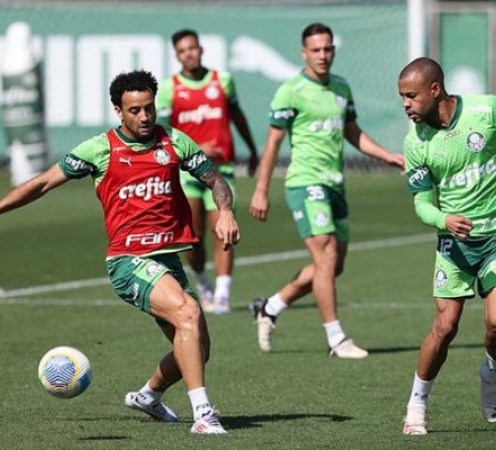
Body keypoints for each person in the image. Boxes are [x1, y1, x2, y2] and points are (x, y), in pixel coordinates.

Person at [0, 70, 239, 434]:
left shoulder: (174, 141)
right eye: (134, 110)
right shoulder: (99, 149)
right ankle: (204, 416)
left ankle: (149, 395)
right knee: (189, 312)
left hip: (166, 259)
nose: (144, 117)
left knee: (198, 348)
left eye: (149, 108)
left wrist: (225, 210)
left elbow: (214, 179)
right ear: (118, 111)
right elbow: (43, 183)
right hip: (128, 262)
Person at [398, 57, 496, 435]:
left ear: (435, 90)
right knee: (445, 326)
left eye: (411, 96)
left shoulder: (487, 109)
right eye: (402, 97)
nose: (406, 105)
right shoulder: (415, 143)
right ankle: (417, 403)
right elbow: (420, 202)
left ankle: (490, 375)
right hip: (455, 244)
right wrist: (442, 220)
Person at [248, 23, 404, 359]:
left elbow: (353, 132)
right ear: (303, 53)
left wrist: (387, 155)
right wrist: (261, 190)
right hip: (305, 183)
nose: (323, 55)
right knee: (326, 256)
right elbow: (273, 143)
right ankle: (336, 339)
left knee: (332, 266)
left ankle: (270, 307)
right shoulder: (290, 91)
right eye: (316, 49)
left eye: (328, 48)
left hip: (335, 185)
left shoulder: (341, 88)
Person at [156, 29, 258, 315]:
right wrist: (196, 147)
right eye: (182, 50)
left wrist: (251, 148)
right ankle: (204, 283)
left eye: (193, 48)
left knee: (223, 228)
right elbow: (163, 132)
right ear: (177, 55)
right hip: (186, 172)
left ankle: (223, 293)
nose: (189, 53)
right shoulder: (169, 88)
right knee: (193, 236)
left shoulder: (222, 81)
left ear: (201, 50)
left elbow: (237, 117)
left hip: (220, 170)